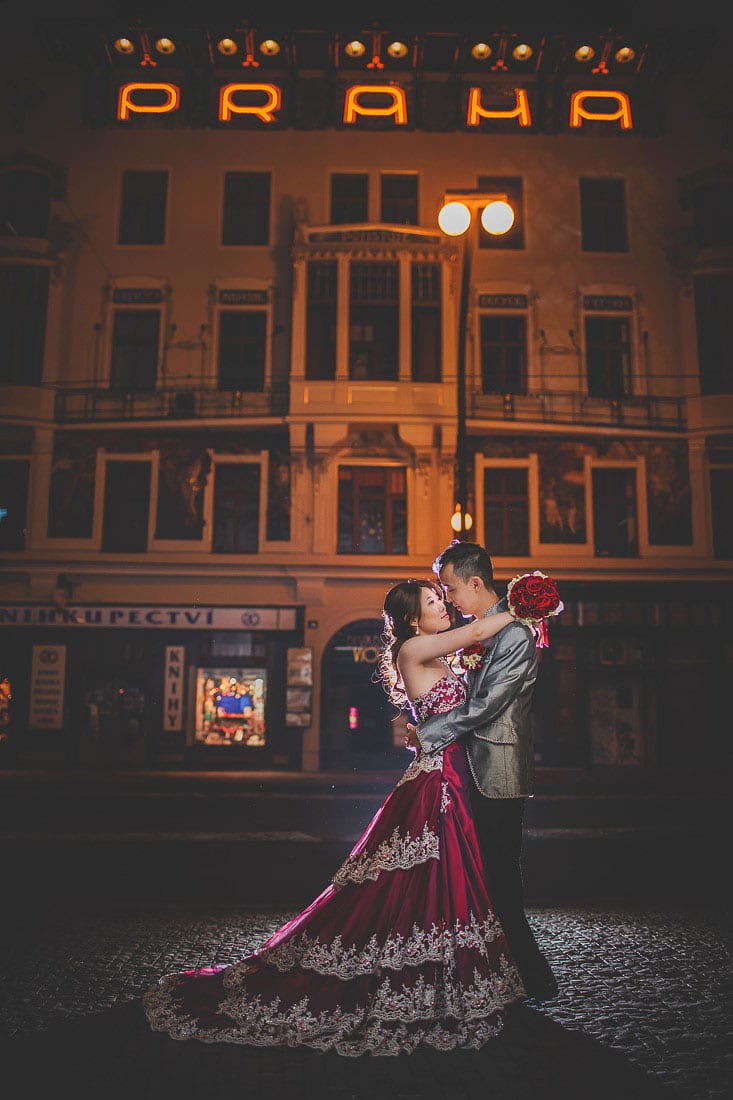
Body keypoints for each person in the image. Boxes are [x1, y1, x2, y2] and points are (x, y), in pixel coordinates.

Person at [143, 579, 526, 1056]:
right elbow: (476, 634)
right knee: (422, 880)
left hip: (452, 774)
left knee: (438, 877)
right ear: (412, 619)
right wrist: (525, 605)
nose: (444, 606)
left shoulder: (434, 654)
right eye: (433, 603)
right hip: (438, 784)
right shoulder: (414, 648)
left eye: (441, 599)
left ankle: (445, 975)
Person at [410, 541, 558, 1003]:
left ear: (475, 583)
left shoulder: (513, 635)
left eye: (451, 588)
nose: (448, 598)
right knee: (483, 879)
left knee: (500, 880)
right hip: (472, 768)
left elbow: (488, 703)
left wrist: (428, 733)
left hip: (498, 771)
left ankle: (536, 979)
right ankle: (504, 976)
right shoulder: (485, 628)